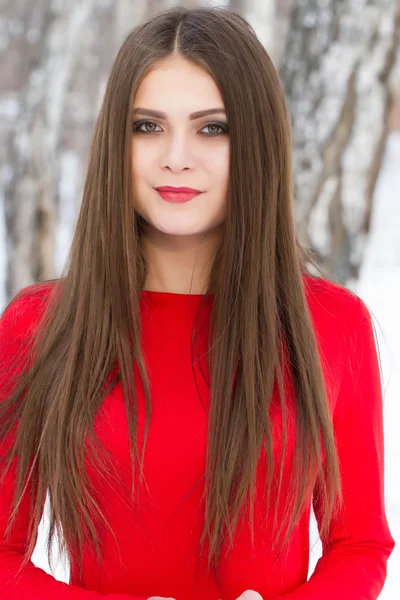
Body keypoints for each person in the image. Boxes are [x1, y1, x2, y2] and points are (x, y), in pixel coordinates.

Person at [0, 5, 395, 600]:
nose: (176, 157)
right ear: (117, 141)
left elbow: (359, 543)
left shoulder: (332, 325)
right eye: (147, 126)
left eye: (213, 127)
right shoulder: (37, 326)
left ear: (256, 140)